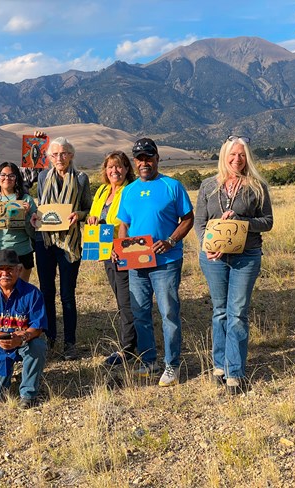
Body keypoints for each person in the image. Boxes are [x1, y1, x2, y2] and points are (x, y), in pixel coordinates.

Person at [195, 135, 273, 394]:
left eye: (241, 155)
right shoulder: (208, 186)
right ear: (223, 155)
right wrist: (209, 245)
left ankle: (235, 372)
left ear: (247, 157)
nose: (237, 159)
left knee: (237, 312)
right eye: (232, 154)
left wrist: (242, 222)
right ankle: (219, 365)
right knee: (220, 311)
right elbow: (200, 223)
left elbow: (268, 221)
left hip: (247, 256)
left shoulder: (257, 186)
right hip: (214, 258)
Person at [115, 138, 194, 387]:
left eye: (148, 157)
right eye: (139, 158)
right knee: (140, 313)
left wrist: (170, 241)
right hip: (137, 263)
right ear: (134, 163)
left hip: (167, 261)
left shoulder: (172, 186)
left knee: (169, 311)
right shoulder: (129, 191)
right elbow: (123, 224)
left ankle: (172, 364)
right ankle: (149, 361)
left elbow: (188, 218)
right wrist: (120, 247)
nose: (143, 162)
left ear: (157, 158)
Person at [35, 135, 92, 360]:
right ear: (49, 157)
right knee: (46, 292)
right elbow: (42, 204)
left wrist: (78, 215)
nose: (60, 157)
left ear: (72, 155)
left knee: (67, 295)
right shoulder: (42, 177)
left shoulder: (81, 178)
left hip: (70, 241)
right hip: (45, 241)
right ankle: (50, 339)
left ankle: (70, 343)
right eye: (55, 154)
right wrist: (35, 218)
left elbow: (88, 209)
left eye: (64, 153)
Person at [0, 249, 47, 408]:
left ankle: (28, 393)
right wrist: (3, 338)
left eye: (10, 269)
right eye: (0, 269)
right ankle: (6, 374)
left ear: (19, 270)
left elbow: (38, 327)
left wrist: (20, 338)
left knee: (38, 347)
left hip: (23, 342)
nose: (5, 273)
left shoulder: (33, 293)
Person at [87, 151, 137, 365]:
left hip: (125, 251)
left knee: (127, 301)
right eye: (110, 167)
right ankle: (132, 343)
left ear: (127, 169)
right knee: (119, 298)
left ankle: (129, 349)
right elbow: (94, 215)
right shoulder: (102, 191)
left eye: (119, 166)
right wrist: (91, 219)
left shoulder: (131, 191)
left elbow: (130, 222)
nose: (114, 171)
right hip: (106, 251)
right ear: (105, 170)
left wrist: (113, 235)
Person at [0, 162, 37, 282]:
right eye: (3, 175)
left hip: (21, 253)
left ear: (17, 178)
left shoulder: (26, 200)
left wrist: (26, 217)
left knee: (19, 296)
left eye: (11, 175)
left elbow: (34, 234)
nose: (7, 178)